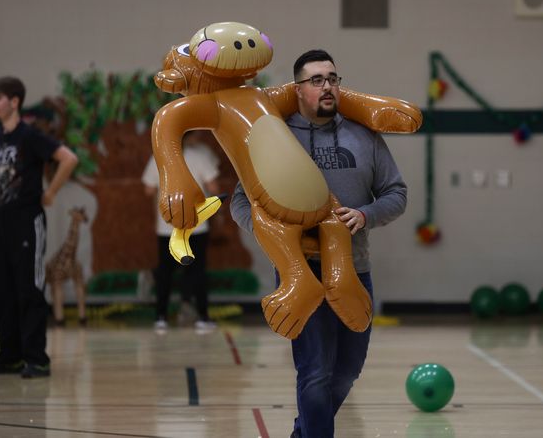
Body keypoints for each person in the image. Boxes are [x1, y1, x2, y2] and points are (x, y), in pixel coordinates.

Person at [230, 49, 407, 438]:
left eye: (332, 78)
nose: (327, 86)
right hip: (301, 274)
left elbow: (396, 193)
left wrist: (364, 215)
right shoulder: (273, 134)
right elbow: (240, 201)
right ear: (297, 89)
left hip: (354, 269)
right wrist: (265, 230)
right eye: (316, 80)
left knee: (346, 371)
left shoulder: (364, 136)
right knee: (314, 372)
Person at [0, 76, 79, 379]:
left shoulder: (30, 136)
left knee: (29, 287)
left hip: (28, 220)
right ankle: (9, 356)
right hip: (3, 219)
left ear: (14, 101)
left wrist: (50, 194)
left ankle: (37, 358)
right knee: (4, 288)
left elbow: (68, 159)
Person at [142, 130, 220, 332]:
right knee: (197, 272)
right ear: (188, 137)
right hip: (197, 225)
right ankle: (203, 318)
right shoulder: (200, 157)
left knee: (165, 272)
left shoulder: (160, 158)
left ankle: (161, 318)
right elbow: (213, 186)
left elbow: (148, 190)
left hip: (166, 227)